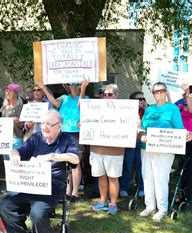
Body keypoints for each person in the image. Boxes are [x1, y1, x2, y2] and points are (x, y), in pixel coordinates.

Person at [0, 110, 79, 233]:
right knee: (5, 206)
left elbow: (75, 158)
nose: (44, 127)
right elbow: (18, 151)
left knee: (38, 213)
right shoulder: (36, 138)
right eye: (43, 124)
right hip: (30, 182)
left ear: (59, 126)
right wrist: (14, 154)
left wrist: (53, 156)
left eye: (49, 124)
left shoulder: (66, 140)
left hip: (53, 184)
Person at [138, 82, 190, 222]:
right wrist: (142, 135)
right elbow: (142, 127)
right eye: (156, 91)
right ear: (153, 94)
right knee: (147, 177)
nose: (159, 93)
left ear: (166, 92)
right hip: (147, 148)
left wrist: (187, 134)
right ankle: (150, 206)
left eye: (161, 91)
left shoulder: (172, 109)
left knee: (160, 178)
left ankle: (162, 208)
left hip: (165, 149)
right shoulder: (149, 109)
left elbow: (179, 128)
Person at [41, 80, 89, 203]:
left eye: (76, 84)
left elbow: (80, 104)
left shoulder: (85, 97)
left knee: (75, 163)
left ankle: (75, 193)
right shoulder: (63, 98)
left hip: (76, 134)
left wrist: (83, 88)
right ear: (67, 86)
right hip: (62, 133)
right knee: (64, 162)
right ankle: (67, 191)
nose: (73, 86)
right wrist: (43, 87)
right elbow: (54, 104)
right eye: (71, 83)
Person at [89, 84, 125, 215]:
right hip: (97, 149)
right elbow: (87, 121)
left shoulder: (124, 110)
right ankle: (103, 202)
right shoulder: (94, 109)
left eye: (110, 94)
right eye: (104, 94)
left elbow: (132, 124)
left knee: (113, 177)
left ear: (116, 96)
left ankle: (113, 204)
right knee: (101, 177)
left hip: (115, 151)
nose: (106, 97)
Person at [120, 91, 146, 198]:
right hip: (129, 142)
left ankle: (141, 188)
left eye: (143, 99)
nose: (142, 101)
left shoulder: (147, 112)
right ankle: (124, 187)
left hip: (141, 143)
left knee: (140, 166)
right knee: (127, 165)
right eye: (138, 99)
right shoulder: (126, 112)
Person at [0, 83, 25, 153]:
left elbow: (23, 125)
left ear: (16, 93)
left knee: (16, 162)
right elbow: (1, 123)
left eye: (10, 91)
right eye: (6, 91)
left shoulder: (21, 107)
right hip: (5, 139)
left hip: (17, 138)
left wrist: (18, 121)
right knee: (6, 162)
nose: (7, 93)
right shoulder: (4, 107)